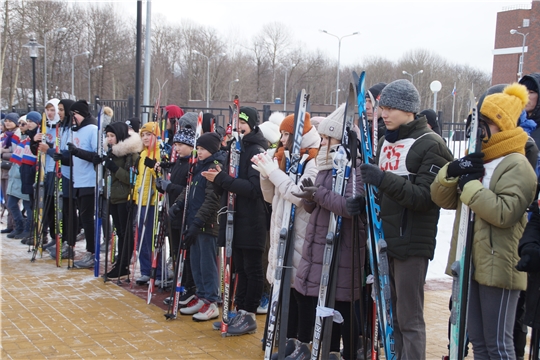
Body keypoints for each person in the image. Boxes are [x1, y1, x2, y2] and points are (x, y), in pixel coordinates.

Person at [431, 83, 537, 359]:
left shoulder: (517, 164)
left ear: (500, 125)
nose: (478, 130)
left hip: (500, 264)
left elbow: (506, 212)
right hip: (471, 263)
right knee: (478, 341)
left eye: (485, 123)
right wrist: (453, 171)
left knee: (497, 344)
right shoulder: (480, 159)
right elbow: (443, 199)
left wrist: (470, 187)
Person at [351, 79, 454, 359]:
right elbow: (386, 193)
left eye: (390, 108)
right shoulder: (385, 141)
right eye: (382, 107)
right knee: (391, 317)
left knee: (409, 319)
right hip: (386, 242)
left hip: (411, 244)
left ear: (408, 110)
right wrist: (363, 204)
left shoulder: (431, 144)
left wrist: (383, 179)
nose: (384, 114)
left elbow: (425, 198)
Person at [286, 104, 365, 360]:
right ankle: (325, 350)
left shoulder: (355, 169)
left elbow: (350, 206)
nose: (321, 142)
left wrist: (318, 194)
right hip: (319, 243)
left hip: (342, 248)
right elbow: (316, 206)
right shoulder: (324, 165)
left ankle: (348, 351)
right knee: (323, 303)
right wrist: (309, 195)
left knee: (341, 304)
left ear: (339, 140)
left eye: (325, 138)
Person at [252, 111, 320, 356]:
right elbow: (271, 197)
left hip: (303, 232)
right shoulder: (286, 156)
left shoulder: (313, 159)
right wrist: (265, 173)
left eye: (286, 134)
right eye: (281, 133)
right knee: (286, 289)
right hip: (281, 229)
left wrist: (273, 173)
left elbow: (300, 196)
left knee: (301, 291)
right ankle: (287, 337)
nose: (281, 139)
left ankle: (304, 341)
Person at [202, 106, 268, 335]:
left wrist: (222, 179)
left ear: (252, 124)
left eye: (243, 123)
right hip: (236, 217)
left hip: (252, 218)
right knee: (239, 267)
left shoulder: (256, 149)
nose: (239, 127)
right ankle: (239, 309)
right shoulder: (236, 148)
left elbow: (253, 188)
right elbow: (232, 178)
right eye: (236, 124)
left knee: (252, 267)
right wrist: (218, 178)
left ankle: (249, 312)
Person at [171, 132, 223, 321]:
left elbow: (212, 200)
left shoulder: (214, 167)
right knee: (196, 262)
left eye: (202, 149)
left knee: (207, 264)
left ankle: (211, 300)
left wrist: (198, 222)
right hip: (193, 220)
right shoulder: (198, 166)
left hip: (206, 224)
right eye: (198, 148)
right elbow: (189, 188)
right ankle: (202, 296)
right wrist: (178, 204)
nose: (199, 152)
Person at [161, 128, 198, 307]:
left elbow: (187, 190)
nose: (177, 148)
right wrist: (162, 185)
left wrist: (169, 187)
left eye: (181, 145)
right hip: (173, 214)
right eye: (176, 144)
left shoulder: (192, 165)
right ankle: (179, 284)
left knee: (186, 253)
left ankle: (188, 287)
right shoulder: (177, 163)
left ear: (191, 146)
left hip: (185, 214)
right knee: (175, 251)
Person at [102, 121, 142, 278]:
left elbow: (130, 178)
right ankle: (120, 261)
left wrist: (114, 168)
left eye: (112, 136)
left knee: (125, 232)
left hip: (125, 198)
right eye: (108, 136)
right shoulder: (111, 153)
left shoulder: (131, 154)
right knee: (119, 231)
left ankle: (124, 263)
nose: (110, 139)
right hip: (113, 197)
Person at [66, 100, 101, 269]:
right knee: (82, 217)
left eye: (75, 114)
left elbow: (96, 156)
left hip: (89, 180)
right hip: (77, 180)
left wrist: (77, 152)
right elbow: (72, 156)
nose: (73, 118)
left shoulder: (92, 129)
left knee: (87, 218)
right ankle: (82, 247)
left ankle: (92, 252)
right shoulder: (74, 131)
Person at [134, 121, 161, 284]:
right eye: (143, 135)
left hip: (152, 202)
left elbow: (160, 176)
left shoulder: (157, 152)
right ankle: (145, 269)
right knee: (141, 239)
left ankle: (157, 271)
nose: (145, 138)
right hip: (141, 201)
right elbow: (139, 179)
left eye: (149, 135)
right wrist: (134, 197)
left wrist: (153, 167)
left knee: (152, 238)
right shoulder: (143, 153)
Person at [3, 113, 30, 239]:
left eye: (23, 124)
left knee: (27, 205)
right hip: (14, 173)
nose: (21, 126)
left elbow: (19, 154)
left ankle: (27, 228)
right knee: (11, 203)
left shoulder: (26, 137)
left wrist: (5, 155)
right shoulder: (18, 136)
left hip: (23, 173)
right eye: (20, 123)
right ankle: (19, 226)